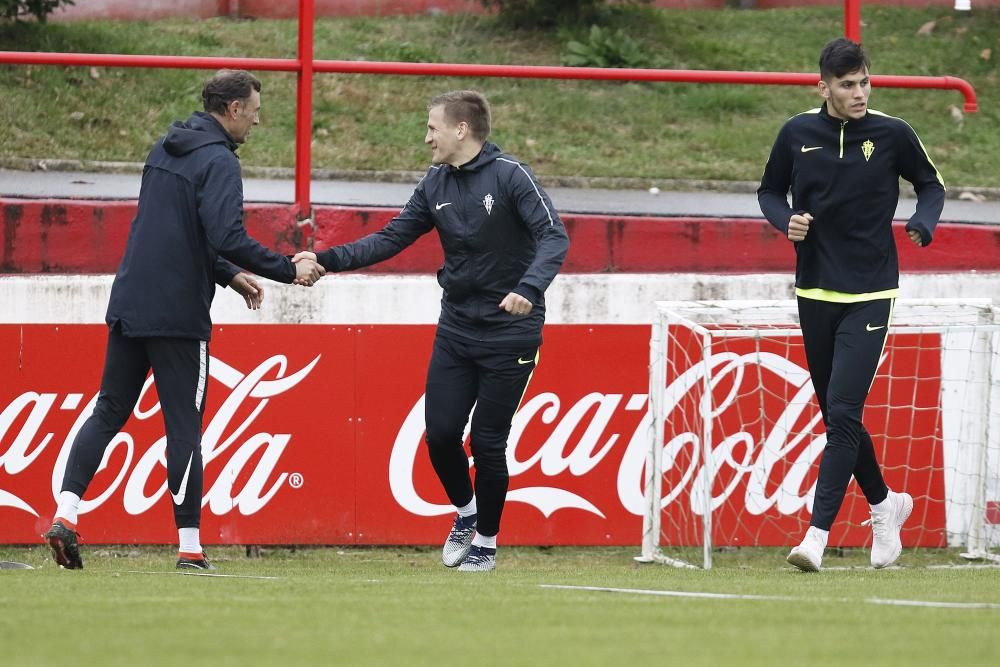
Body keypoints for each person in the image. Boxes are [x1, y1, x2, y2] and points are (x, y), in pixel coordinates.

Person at [44, 69, 326, 571]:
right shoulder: (219, 161)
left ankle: (66, 514)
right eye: (255, 112)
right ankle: (191, 549)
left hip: (131, 300)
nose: (257, 123)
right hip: (178, 314)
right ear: (234, 109)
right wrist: (288, 267)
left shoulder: (164, 147)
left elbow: (174, 230)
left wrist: (228, 275)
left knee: (108, 411)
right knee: (184, 430)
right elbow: (227, 235)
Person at [294, 90, 569, 572]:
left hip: (511, 334)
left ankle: (485, 542)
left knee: (486, 442)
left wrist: (528, 287)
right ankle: (466, 513)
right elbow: (391, 237)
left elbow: (554, 236)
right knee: (440, 435)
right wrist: (327, 259)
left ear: (461, 129)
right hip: (457, 329)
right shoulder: (435, 183)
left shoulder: (511, 176)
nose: (426, 139)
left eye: (432, 128)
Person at [757, 38, 945, 571]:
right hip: (814, 289)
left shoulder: (892, 133)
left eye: (865, 81)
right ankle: (887, 507)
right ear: (824, 87)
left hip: (870, 291)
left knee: (841, 416)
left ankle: (815, 537)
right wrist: (784, 220)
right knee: (838, 415)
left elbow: (931, 187)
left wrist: (922, 223)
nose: (860, 93)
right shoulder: (797, 133)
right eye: (847, 85)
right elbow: (769, 192)